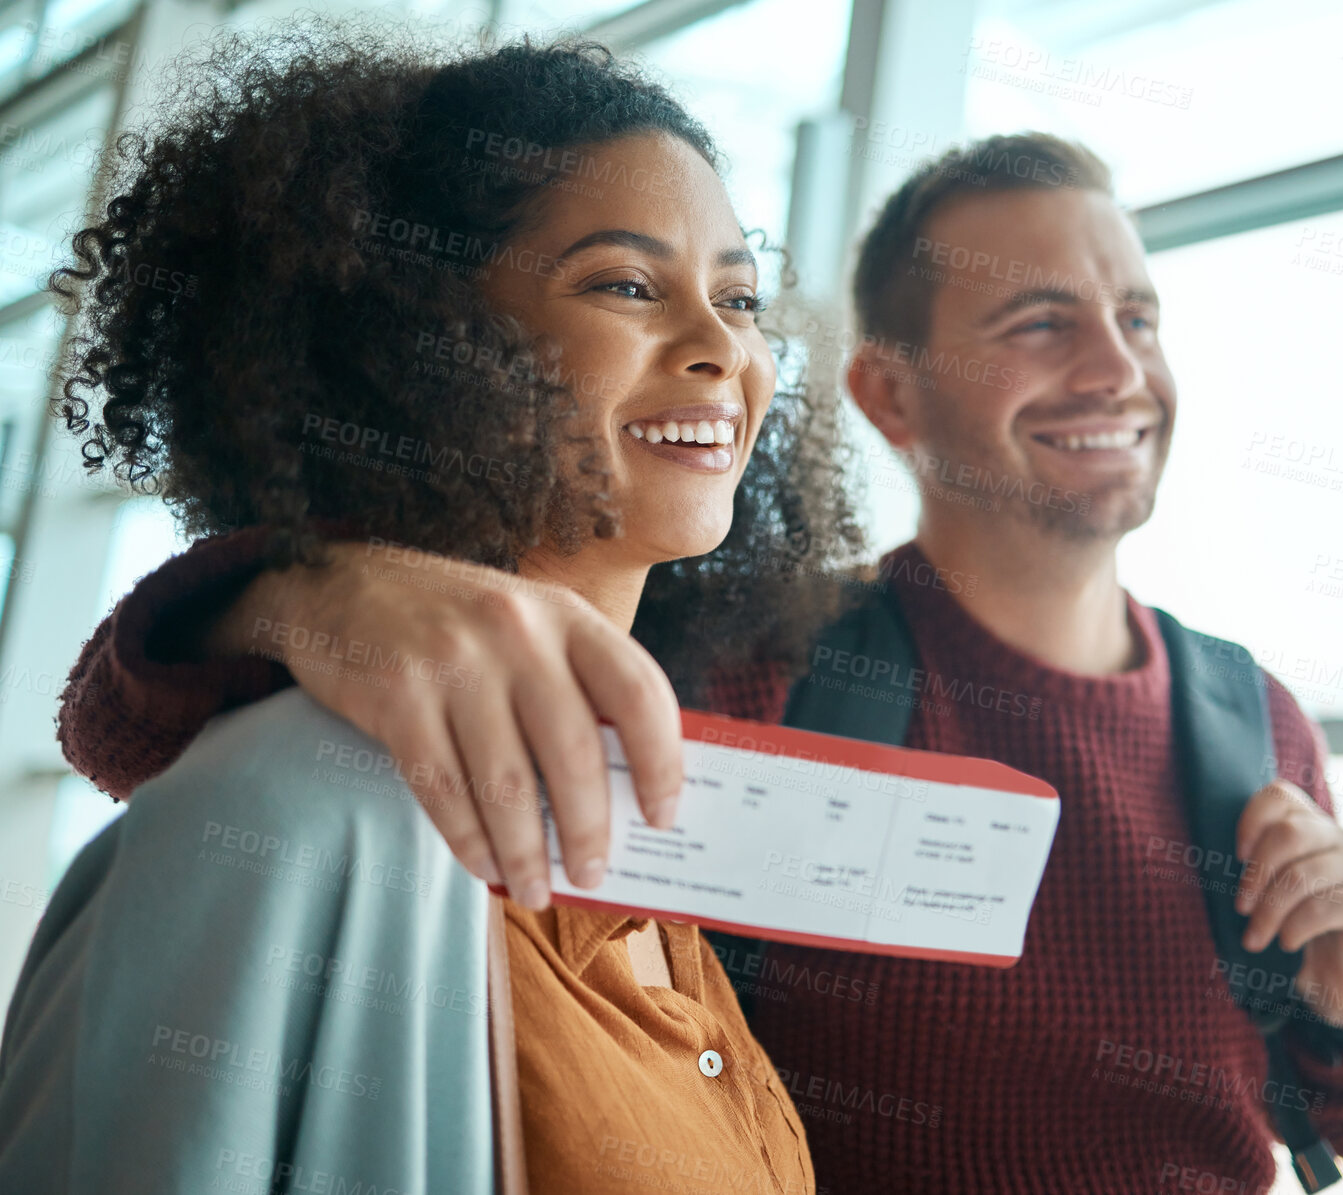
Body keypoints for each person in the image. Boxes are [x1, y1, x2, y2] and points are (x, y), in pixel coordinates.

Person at [46, 134, 1343, 1192]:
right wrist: (305, 589)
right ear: (888, 393)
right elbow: (183, 720)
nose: (1116, 367)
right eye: (1039, 322)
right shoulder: (750, 667)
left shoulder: (1252, 721)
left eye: (1137, 315)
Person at [0, 21, 873, 1194]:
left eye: (741, 296)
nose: (723, 346)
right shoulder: (303, 803)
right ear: (415, 343)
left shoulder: (643, 791)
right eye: (624, 283)